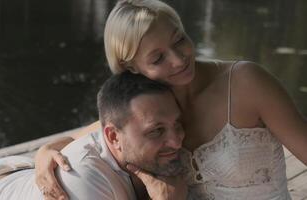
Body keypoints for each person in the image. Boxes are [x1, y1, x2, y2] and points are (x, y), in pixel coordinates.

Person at [35, 0, 307, 199]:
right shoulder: (143, 113)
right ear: (131, 68)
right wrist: (43, 153)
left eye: (179, 40)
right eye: (158, 58)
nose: (179, 59)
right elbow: (82, 139)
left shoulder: (246, 82)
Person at [0, 72, 189, 200]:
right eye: (156, 131)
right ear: (113, 137)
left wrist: (48, 148)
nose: (177, 141)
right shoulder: (82, 181)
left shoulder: (126, 130)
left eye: (177, 124)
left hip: (14, 172)